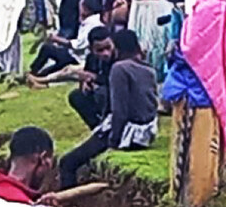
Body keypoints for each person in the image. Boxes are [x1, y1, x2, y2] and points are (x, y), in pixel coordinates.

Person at [162, 0, 226, 207]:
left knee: (194, 146)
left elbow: (192, 49)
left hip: (196, 86)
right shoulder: (216, 7)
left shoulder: (207, 9)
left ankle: (193, 201)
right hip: (207, 85)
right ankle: (192, 200)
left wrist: (175, 48)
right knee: (202, 145)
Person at [59, 30, 159, 189]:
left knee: (67, 163)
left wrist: (113, 140)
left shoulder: (119, 69)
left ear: (117, 48)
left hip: (129, 134)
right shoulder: (149, 69)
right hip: (146, 134)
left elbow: (120, 111)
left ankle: (67, 204)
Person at [29, 0, 103, 79]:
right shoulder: (90, 21)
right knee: (48, 70)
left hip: (77, 58)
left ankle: (33, 71)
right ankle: (35, 74)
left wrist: (57, 39)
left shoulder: (91, 23)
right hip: (73, 54)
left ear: (86, 9)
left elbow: (78, 45)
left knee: (47, 49)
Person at [68, 26, 116, 129]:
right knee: (76, 96)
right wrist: (85, 83)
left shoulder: (119, 58)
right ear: (91, 49)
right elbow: (86, 75)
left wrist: (95, 78)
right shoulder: (91, 58)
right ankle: (97, 127)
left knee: (103, 92)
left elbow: (116, 81)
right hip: (97, 93)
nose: (105, 53)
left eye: (108, 48)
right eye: (100, 50)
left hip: (116, 96)